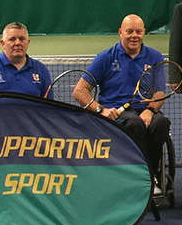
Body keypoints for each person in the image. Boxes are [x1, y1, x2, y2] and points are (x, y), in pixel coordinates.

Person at [72, 14, 170, 191]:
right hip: (116, 113)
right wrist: (100, 110)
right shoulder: (105, 58)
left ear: (144, 33)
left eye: (138, 31)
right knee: (135, 124)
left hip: (145, 109)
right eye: (129, 31)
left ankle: (151, 175)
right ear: (120, 33)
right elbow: (79, 91)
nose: (134, 35)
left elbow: (159, 92)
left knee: (161, 123)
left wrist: (150, 111)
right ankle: (138, 178)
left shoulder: (155, 57)